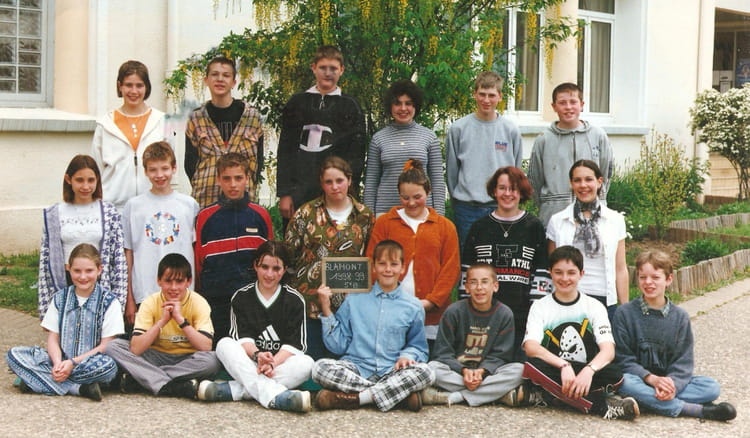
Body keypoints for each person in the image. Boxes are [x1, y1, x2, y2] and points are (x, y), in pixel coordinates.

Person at [612, 251, 737, 421]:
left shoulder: (680, 317)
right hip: (639, 379)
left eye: (655, 277)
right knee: (625, 382)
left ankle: (647, 400)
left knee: (711, 387)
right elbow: (623, 359)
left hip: (668, 381)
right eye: (643, 277)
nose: (648, 282)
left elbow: (683, 363)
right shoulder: (624, 313)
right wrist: (652, 379)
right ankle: (696, 410)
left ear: (669, 279)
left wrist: (673, 387)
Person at [312, 240, 435, 412]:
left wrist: (407, 355)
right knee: (320, 368)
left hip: (392, 369)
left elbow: (418, 347)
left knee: (427, 372)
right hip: (357, 368)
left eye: (394, 264)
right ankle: (396, 397)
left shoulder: (413, 306)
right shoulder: (354, 299)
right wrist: (326, 308)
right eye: (382, 264)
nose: (388, 269)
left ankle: (357, 399)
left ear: (402, 268)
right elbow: (338, 346)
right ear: (374, 267)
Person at [522, 245, 638, 420]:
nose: (565, 278)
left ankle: (550, 396)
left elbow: (608, 350)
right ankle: (602, 407)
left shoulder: (594, 306)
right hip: (555, 370)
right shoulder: (540, 306)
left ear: (581, 274)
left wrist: (589, 371)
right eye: (558, 272)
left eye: (571, 273)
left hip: (585, 371)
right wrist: (564, 366)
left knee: (616, 375)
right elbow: (531, 347)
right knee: (531, 366)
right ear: (550, 273)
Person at [197, 241, 314, 413]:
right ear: (255, 266)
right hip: (250, 362)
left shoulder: (294, 300)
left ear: (284, 269)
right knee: (224, 344)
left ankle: (234, 391)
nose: (269, 274)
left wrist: (272, 364)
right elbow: (242, 339)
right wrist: (258, 356)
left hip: (278, 365)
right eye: (264, 267)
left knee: (307, 364)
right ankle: (278, 398)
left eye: (276, 268)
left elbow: (294, 345)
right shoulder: (241, 297)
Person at [285, 156, 374, 359]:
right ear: (321, 183)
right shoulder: (305, 213)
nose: (335, 187)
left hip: (350, 307)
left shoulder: (365, 216)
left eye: (339, 180)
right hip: (310, 303)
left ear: (349, 180)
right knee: (310, 363)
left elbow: (371, 258)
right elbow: (289, 253)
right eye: (329, 182)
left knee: (344, 365)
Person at [8, 244, 123, 401]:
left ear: (99, 270)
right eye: (77, 271)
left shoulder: (110, 302)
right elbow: (53, 338)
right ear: (68, 269)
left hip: (89, 363)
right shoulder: (60, 298)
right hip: (59, 361)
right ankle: (79, 388)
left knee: (108, 367)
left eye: (89, 271)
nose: (83, 276)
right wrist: (57, 363)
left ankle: (37, 380)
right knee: (14, 355)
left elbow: (105, 346)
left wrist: (72, 363)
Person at [366, 159, 459, 348]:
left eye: (417, 197)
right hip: (389, 310)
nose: (411, 203)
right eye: (405, 197)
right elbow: (371, 262)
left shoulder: (445, 227)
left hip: (431, 316)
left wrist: (432, 301)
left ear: (428, 192)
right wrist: (387, 298)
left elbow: (451, 269)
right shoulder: (385, 223)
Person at [461, 166, 550, 360]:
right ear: (494, 191)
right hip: (483, 318)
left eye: (513, 188)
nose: (507, 193)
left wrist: (536, 314)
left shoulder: (533, 227)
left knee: (518, 369)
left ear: (521, 192)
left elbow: (542, 273)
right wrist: (467, 311)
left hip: (522, 318)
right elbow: (466, 273)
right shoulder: (479, 227)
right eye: (502, 188)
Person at [105, 253, 221, 398]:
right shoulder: (150, 302)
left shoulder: (199, 302)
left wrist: (180, 320)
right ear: (159, 281)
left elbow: (205, 346)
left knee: (213, 361)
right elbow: (136, 348)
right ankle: (170, 384)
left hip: (187, 358)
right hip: (155, 356)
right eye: (168, 281)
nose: (173, 287)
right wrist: (162, 321)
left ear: (188, 281)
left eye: (179, 281)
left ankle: (143, 379)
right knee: (113, 346)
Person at [277, 45, 366, 230]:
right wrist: (284, 193)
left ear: (342, 70)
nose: (328, 73)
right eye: (323, 67)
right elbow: (285, 151)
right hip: (299, 189)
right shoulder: (297, 103)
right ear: (313, 68)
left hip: (334, 191)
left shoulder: (350, 106)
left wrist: (350, 193)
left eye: (333, 68)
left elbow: (356, 156)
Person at [194, 153, 273, 345]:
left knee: (252, 349)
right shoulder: (205, 216)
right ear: (218, 180)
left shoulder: (260, 215)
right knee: (220, 349)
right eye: (227, 178)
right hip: (217, 299)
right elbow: (198, 263)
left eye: (238, 178)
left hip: (252, 299)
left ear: (247, 179)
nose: (233, 184)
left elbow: (270, 260)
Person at [37, 155, 127, 321]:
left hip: (98, 281)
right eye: (80, 180)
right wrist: (45, 310)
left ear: (97, 180)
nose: (86, 186)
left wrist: (118, 303)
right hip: (66, 282)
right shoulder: (54, 214)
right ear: (68, 179)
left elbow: (119, 259)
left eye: (91, 180)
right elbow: (45, 263)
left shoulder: (109, 212)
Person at [423, 263, 525, 407]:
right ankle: (496, 395)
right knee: (431, 368)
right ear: (466, 287)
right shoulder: (454, 311)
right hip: (458, 372)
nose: (479, 287)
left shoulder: (504, 314)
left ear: (495, 286)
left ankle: (457, 396)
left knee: (520, 371)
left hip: (487, 374)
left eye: (485, 282)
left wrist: (482, 372)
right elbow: (442, 353)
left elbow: (501, 356)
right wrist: (463, 370)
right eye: (473, 282)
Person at [122, 141, 200, 327]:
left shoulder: (189, 205)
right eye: (153, 170)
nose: (159, 175)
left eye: (164, 168)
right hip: (145, 291)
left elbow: (195, 250)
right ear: (145, 171)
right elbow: (128, 253)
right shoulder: (133, 206)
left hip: (182, 291)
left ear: (174, 168)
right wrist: (129, 298)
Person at [446, 71, 523, 246]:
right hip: (467, 208)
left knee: (500, 257)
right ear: (474, 94)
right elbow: (452, 172)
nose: (486, 100)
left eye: (491, 95)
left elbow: (516, 171)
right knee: (468, 258)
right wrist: (457, 200)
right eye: (482, 94)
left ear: (500, 97)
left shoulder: (510, 130)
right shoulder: (458, 129)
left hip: (501, 206)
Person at [546, 159, 628, 321]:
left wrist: (625, 309)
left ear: (599, 182)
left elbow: (620, 268)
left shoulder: (615, 220)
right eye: (577, 180)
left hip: (604, 300)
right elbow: (552, 268)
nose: (583, 185)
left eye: (588, 179)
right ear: (571, 184)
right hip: (568, 299)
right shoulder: (557, 221)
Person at [527, 82, 614, 226]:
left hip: (592, 213)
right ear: (554, 106)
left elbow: (605, 174)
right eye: (562, 103)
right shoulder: (544, 139)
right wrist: (549, 203)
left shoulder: (598, 135)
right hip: (554, 214)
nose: (568, 107)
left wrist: (595, 196)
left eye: (573, 102)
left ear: (582, 105)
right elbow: (534, 180)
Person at [184, 56, 264, 207]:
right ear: (206, 80)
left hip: (243, 202)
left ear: (233, 82)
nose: (220, 79)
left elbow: (258, 160)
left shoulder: (252, 117)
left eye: (226, 75)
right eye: (215, 74)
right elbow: (190, 163)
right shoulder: (196, 118)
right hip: (206, 200)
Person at [92, 60, 168, 212]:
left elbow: (170, 167)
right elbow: (95, 170)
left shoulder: (161, 122)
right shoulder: (105, 124)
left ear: (146, 87)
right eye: (128, 85)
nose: (134, 91)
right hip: (113, 208)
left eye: (139, 85)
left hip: (153, 207)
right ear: (120, 86)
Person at [363, 80, 446, 216]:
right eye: (397, 103)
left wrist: (439, 216)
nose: (403, 108)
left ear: (415, 106)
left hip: (422, 212)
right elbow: (371, 182)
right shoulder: (378, 139)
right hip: (386, 213)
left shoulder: (429, 137)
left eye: (408, 103)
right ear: (390, 106)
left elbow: (437, 181)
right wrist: (369, 217)